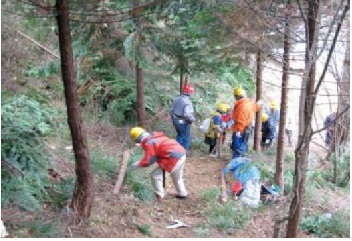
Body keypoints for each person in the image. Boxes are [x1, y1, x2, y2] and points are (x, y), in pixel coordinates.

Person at [130, 127, 188, 202]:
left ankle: (159, 196)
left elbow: (148, 161)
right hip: (181, 153)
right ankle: (182, 193)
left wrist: (135, 165)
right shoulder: (154, 136)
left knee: (156, 175)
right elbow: (157, 147)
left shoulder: (150, 143)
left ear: (137, 138)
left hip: (172, 158)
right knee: (177, 176)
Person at [228, 87, 262, 158]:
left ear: (236, 96)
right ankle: (243, 162)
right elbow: (256, 107)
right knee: (244, 145)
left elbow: (240, 120)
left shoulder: (240, 106)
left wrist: (237, 130)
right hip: (247, 129)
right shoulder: (249, 103)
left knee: (238, 147)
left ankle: (237, 163)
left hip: (240, 129)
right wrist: (259, 104)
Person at [170, 84, 196, 152]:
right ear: (190, 92)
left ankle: (176, 150)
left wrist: (174, 118)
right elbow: (187, 114)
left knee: (179, 135)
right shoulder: (187, 101)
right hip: (183, 121)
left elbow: (171, 110)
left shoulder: (177, 99)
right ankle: (183, 152)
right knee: (185, 137)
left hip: (176, 120)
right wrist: (192, 119)